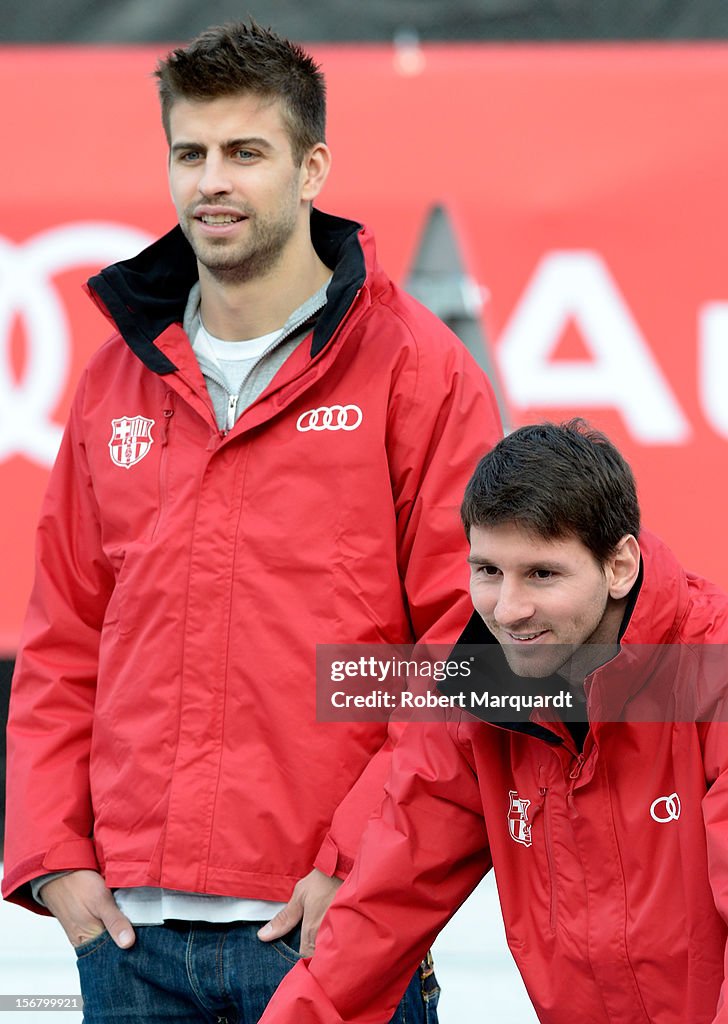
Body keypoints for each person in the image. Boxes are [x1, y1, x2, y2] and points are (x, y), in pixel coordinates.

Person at [1, 20, 502, 1024]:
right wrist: (56, 863)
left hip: (330, 930)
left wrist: (365, 867)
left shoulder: (414, 368)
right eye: (190, 152)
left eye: (245, 152)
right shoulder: (114, 380)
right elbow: (63, 645)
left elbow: (466, 647)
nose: (211, 181)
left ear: (311, 165)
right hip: (129, 946)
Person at [258, 420, 728, 1024]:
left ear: (619, 566)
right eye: (487, 571)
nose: (507, 609)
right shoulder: (474, 685)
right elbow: (380, 913)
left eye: (542, 574)